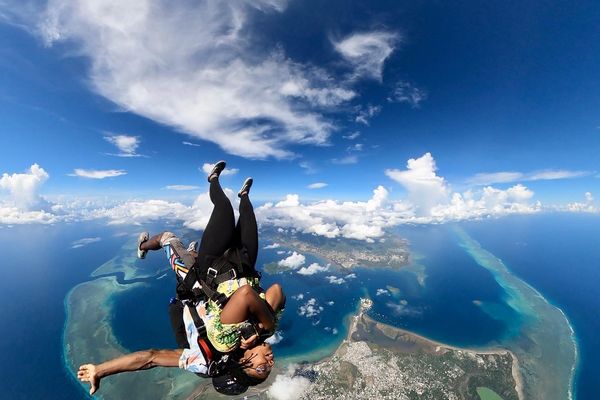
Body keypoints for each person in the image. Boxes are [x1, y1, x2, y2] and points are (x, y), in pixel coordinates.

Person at [78, 161, 284, 396]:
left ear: (242, 364)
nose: (270, 362)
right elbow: (275, 292)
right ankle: (243, 196)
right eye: (269, 368)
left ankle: (144, 244)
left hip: (199, 283)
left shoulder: (204, 357)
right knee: (246, 217)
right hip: (238, 270)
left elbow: (150, 358)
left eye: (261, 368)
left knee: (170, 238)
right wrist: (263, 327)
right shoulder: (255, 335)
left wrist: (101, 370)